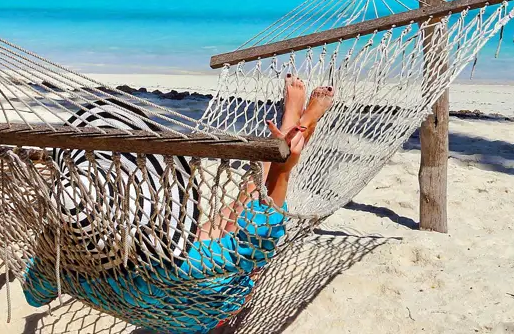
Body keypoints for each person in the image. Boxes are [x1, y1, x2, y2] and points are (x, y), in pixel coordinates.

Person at [23, 74, 334, 333]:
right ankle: (294, 132)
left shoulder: (55, 262)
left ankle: (288, 136)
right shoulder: (185, 264)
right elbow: (255, 245)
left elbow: (34, 296)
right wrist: (285, 172)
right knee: (244, 212)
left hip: (145, 285)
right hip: (208, 306)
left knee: (225, 220)